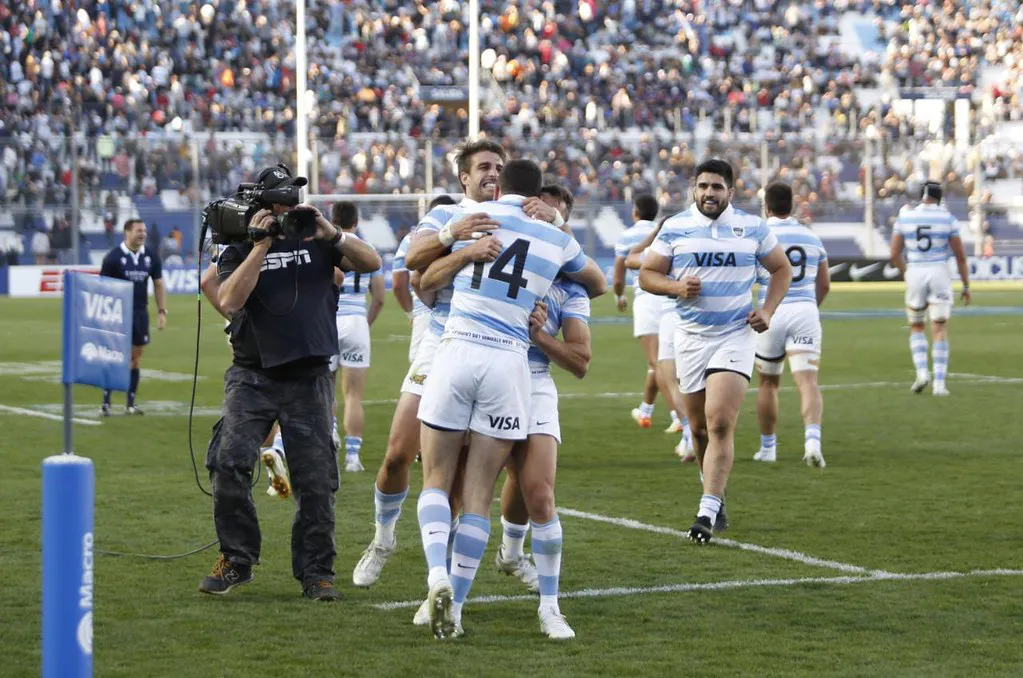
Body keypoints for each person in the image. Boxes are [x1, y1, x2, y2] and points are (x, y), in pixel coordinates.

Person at [415, 159, 605, 639]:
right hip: (509, 363)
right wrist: (557, 223)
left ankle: (437, 574)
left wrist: (458, 249)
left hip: (458, 348)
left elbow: (421, 279)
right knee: (478, 494)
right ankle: (453, 606)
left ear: (501, 186)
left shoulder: (476, 219)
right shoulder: (558, 240)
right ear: (539, 196)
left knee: (438, 481)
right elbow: (600, 281)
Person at [198, 164, 382, 601]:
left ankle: (316, 572)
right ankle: (237, 560)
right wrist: (260, 246)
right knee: (228, 461)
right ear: (261, 207)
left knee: (316, 478)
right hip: (252, 375)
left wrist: (330, 234)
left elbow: (371, 262)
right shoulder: (239, 247)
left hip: (310, 375)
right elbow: (228, 298)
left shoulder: (317, 238)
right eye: (279, 203)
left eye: (292, 201)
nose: (288, 209)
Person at [349, 140, 509, 593]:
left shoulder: (513, 218)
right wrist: (454, 236)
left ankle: (443, 585)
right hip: (441, 343)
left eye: (499, 167)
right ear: (464, 177)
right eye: (483, 167)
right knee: (400, 450)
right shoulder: (444, 216)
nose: (492, 173)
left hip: (493, 349)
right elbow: (414, 264)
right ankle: (382, 539)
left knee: (458, 474)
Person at [639, 159, 792, 544]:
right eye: (703, 186)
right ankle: (715, 493)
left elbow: (782, 270)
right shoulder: (675, 228)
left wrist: (768, 310)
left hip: (735, 335)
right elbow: (646, 275)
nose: (710, 193)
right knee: (700, 429)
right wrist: (675, 288)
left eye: (717, 187)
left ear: (730, 191)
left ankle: (705, 512)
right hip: (690, 338)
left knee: (721, 420)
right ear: (694, 188)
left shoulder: (752, 227)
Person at [505, 184, 595, 639]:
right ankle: (441, 593)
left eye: (555, 220)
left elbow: (580, 362)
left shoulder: (571, 289)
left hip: (536, 383)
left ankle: (550, 607)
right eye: (538, 215)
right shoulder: (498, 262)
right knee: (459, 495)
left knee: (539, 493)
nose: (545, 226)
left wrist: (541, 336)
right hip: (488, 375)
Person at [751, 183, 831, 467]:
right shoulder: (811, 237)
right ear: (792, 206)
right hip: (805, 311)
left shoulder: (760, 236)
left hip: (771, 312)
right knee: (808, 381)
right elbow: (825, 284)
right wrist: (810, 307)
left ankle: (768, 448)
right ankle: (812, 442)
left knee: (768, 383)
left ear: (767, 207)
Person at [890, 181, 971, 396]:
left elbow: (894, 254)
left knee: (916, 326)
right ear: (939, 197)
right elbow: (960, 256)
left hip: (915, 270)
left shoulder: (905, 216)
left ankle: (922, 372)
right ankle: (939, 384)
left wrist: (907, 272)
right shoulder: (947, 218)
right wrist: (966, 285)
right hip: (939, 272)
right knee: (939, 327)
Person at [623, 220, 694, 459]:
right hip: (696, 317)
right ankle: (693, 433)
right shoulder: (692, 248)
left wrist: (654, 235)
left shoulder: (660, 252)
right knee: (694, 382)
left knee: (667, 375)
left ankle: (688, 433)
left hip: (670, 317)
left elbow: (630, 259)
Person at [328, 201, 385, 473]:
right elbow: (379, 298)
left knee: (325, 389)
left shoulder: (327, 246)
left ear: (332, 220)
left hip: (330, 320)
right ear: (357, 221)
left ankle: (331, 437)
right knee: (353, 397)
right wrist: (365, 323)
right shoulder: (366, 250)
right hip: (356, 322)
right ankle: (353, 458)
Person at [99, 218, 168, 415]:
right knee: (114, 357)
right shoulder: (113, 258)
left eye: (144, 231)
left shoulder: (151, 256)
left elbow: (158, 284)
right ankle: (106, 402)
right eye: (138, 230)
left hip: (139, 313)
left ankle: (130, 403)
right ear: (127, 233)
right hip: (116, 314)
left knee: (135, 358)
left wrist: (162, 311)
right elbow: (102, 287)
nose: (142, 234)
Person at [613, 194, 666, 429]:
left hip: (647, 299)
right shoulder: (664, 231)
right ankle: (646, 409)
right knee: (660, 362)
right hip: (668, 298)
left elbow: (619, 274)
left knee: (658, 363)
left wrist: (619, 295)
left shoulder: (626, 236)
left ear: (635, 212)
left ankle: (681, 419)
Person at [392, 195, 457, 364]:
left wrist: (410, 313)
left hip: (425, 312)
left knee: (421, 375)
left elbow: (399, 284)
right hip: (459, 311)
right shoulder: (466, 237)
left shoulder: (410, 240)